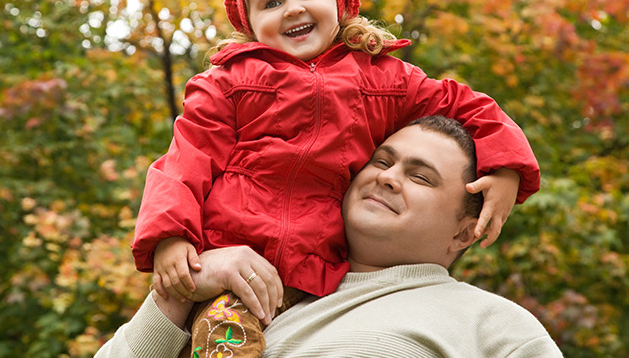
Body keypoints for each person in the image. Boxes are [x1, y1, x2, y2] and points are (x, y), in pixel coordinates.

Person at [131, 0, 541, 356]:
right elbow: (185, 161)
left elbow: (465, 104)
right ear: (250, 25)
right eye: (271, 3)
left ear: (339, 1)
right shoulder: (229, 84)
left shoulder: (381, 81)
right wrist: (170, 238)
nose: (292, 8)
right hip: (234, 255)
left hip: (320, 269)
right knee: (226, 335)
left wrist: (508, 168)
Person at [97, 116, 564, 357]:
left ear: (465, 231)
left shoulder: (492, 325)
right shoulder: (264, 297)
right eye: (382, 161)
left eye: (420, 178)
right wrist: (184, 289)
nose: (387, 177)